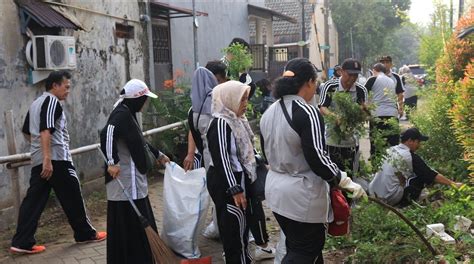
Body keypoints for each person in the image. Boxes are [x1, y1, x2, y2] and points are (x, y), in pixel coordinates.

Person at [260, 58, 365, 263]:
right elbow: (318, 158)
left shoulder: (270, 111)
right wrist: (343, 180)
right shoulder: (307, 111)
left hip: (276, 190)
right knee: (306, 249)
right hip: (301, 195)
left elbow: (265, 154)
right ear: (309, 82)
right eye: (315, 82)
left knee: (299, 245)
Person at [11, 71, 106, 254]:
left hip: (40, 160)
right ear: (55, 85)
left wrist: (39, 150)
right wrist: (48, 158)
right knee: (73, 193)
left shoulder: (35, 103)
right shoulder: (51, 102)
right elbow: (46, 130)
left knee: (33, 201)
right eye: (66, 86)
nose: (68, 91)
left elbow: (26, 131)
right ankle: (85, 233)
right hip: (56, 160)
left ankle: (21, 242)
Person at [100, 79, 170, 264]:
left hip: (134, 182)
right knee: (126, 222)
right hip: (125, 182)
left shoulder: (128, 114)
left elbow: (139, 141)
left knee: (139, 218)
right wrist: (112, 162)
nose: (145, 103)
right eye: (144, 99)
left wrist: (158, 155)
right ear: (136, 99)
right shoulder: (121, 115)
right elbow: (107, 132)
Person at [206, 80, 255, 263]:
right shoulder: (221, 123)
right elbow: (222, 159)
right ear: (229, 99)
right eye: (242, 100)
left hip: (234, 180)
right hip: (228, 182)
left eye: (246, 100)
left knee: (240, 229)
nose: (245, 105)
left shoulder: (236, 121)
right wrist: (234, 188)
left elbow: (246, 149)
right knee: (234, 231)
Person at [369, 128, 463, 207]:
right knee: (418, 180)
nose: (419, 146)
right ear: (410, 141)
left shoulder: (390, 150)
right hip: (389, 197)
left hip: (373, 192)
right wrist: (453, 184)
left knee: (411, 176)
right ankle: (403, 205)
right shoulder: (407, 156)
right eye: (418, 142)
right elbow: (430, 175)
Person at [318, 58, 368, 174]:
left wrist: (362, 113)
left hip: (352, 139)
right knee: (333, 172)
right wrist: (335, 117)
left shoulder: (361, 90)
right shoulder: (330, 86)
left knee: (349, 172)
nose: (352, 78)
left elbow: (365, 111)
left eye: (355, 75)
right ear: (341, 71)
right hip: (331, 138)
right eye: (350, 74)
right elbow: (322, 107)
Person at [365, 63, 403, 155]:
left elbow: (363, 93)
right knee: (392, 143)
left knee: (376, 142)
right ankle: (393, 166)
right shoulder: (391, 81)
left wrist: (365, 111)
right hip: (393, 114)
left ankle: (376, 166)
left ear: (374, 70)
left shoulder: (373, 79)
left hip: (377, 115)